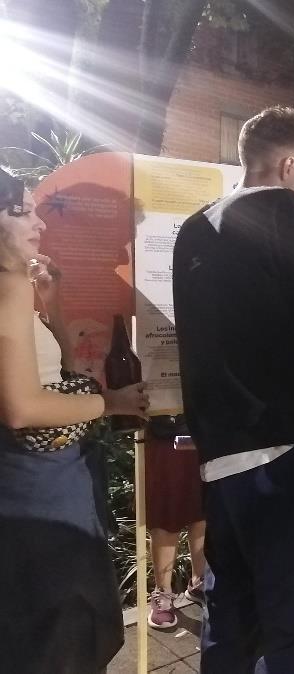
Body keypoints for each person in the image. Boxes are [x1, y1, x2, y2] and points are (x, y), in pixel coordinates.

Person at [172, 107, 294, 673]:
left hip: (218, 459)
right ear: (288, 165)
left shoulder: (194, 226)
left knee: (230, 616)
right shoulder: (282, 209)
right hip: (277, 452)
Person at [0, 168, 148, 672]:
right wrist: (112, 403)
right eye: (23, 211)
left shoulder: (18, 287)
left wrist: (53, 306)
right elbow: (23, 406)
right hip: (38, 490)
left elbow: (53, 373)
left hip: (30, 486)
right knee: (61, 631)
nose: (39, 222)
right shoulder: (8, 282)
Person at [145, 416, 206, 630]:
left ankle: (200, 582)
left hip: (203, 428)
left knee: (202, 511)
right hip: (164, 431)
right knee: (166, 513)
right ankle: (163, 592)